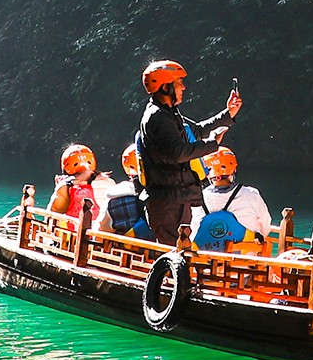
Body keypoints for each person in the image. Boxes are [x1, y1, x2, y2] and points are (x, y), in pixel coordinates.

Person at [133, 58, 239, 250]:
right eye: (179, 82)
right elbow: (178, 153)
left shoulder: (169, 113)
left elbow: (196, 131)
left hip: (177, 198)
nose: (183, 87)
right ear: (165, 87)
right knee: (173, 254)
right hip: (166, 202)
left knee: (180, 251)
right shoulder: (157, 117)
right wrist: (213, 144)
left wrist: (228, 113)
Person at [194, 147, 274, 252]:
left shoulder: (197, 198)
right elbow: (266, 225)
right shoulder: (250, 194)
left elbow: (193, 231)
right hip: (245, 262)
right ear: (233, 168)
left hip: (206, 263)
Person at [46, 143, 101, 232]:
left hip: (74, 236)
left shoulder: (66, 185)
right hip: (101, 235)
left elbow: (51, 215)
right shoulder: (108, 182)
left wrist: (58, 188)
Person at [100, 143, 150, 238]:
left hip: (128, 251)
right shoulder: (177, 196)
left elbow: (99, 234)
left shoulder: (115, 200)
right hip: (166, 249)